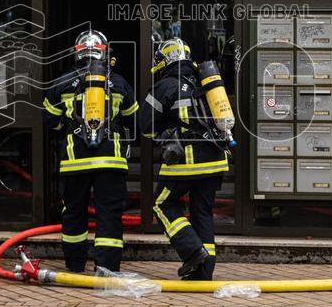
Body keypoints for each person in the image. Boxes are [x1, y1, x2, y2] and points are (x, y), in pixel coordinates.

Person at [42, 30, 138, 273]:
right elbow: (134, 120)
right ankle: (107, 268)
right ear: (105, 52)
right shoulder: (118, 82)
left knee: (74, 212)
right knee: (109, 214)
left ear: (77, 52)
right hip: (111, 162)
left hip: (75, 162)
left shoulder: (61, 83)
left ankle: (75, 266)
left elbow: (49, 122)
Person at [139, 38, 230, 280]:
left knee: (162, 204)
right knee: (202, 211)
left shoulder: (165, 86)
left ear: (164, 61)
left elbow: (145, 126)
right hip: (216, 160)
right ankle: (204, 272)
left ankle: (191, 253)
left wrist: (165, 132)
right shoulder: (206, 82)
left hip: (186, 162)